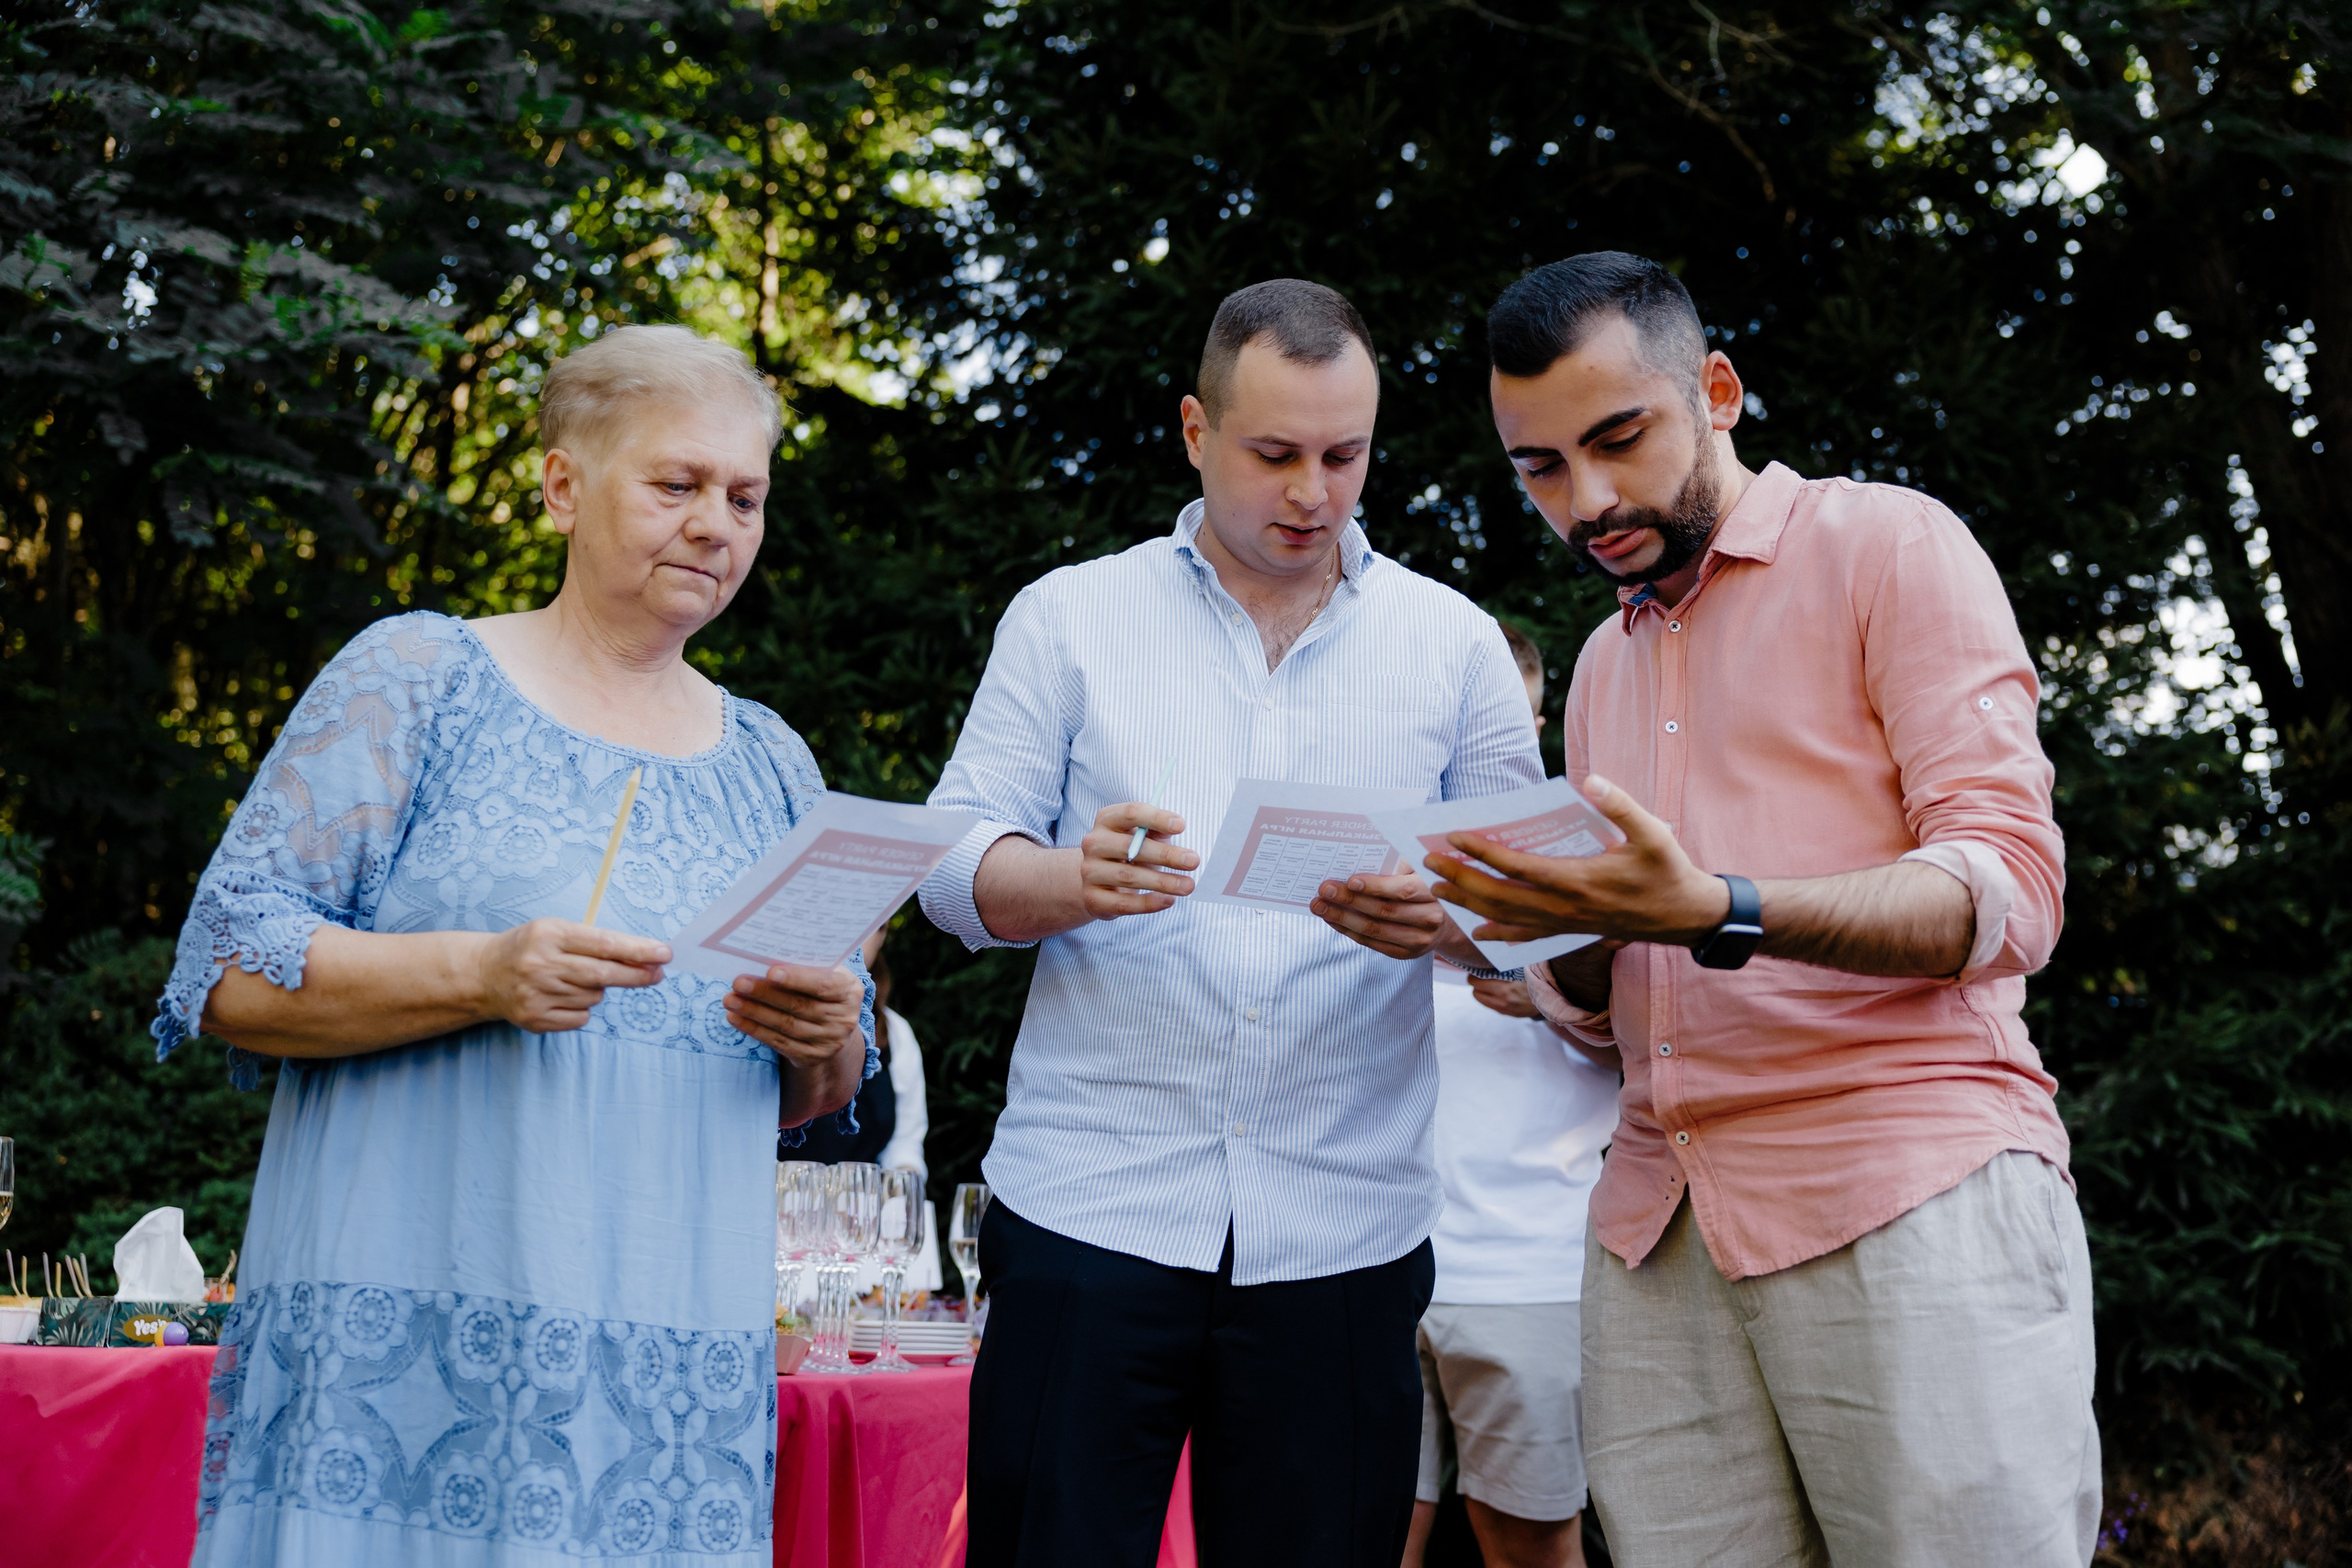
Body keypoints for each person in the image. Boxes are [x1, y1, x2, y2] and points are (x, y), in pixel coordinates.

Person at [151, 324, 876, 1567]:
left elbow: (809, 1095)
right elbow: (224, 966)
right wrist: (479, 973)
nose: (716, 522)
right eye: (676, 483)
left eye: (745, 496)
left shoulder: (774, 763)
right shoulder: (421, 675)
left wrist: (829, 1041)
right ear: (560, 487)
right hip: (412, 1355)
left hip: (661, 1392)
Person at [1417, 252, 2093, 1566]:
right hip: (1657, 1240)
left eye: (1620, 437)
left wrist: (1719, 904)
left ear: (1718, 391)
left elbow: (2012, 887)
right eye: (1541, 466)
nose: (1589, 498)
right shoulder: (1604, 661)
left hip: (1908, 1195)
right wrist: (1511, 927)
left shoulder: (1891, 543)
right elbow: (1625, 1008)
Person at [920, 278, 1544, 1568]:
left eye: (1344, 455)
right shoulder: (1070, 616)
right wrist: (1065, 880)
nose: (1312, 491)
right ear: (1196, 430)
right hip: (1093, 1206)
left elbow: (1533, 928)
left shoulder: (1456, 645)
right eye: (1274, 454)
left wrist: (1436, 923)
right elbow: (949, 867)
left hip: (1343, 1230)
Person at [1401, 622, 1616, 1568]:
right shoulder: (1363, 856)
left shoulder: (1589, 862)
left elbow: (1678, 1029)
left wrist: (1553, 990)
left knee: (1529, 1545)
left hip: (1528, 1271)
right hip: (1366, 1260)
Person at [798, 923, 931, 1176]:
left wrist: (901, 1184)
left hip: (861, 1205)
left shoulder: (895, 1033)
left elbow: (904, 1143)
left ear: (882, 935)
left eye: (863, 927)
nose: (848, 943)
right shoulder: (766, 1020)